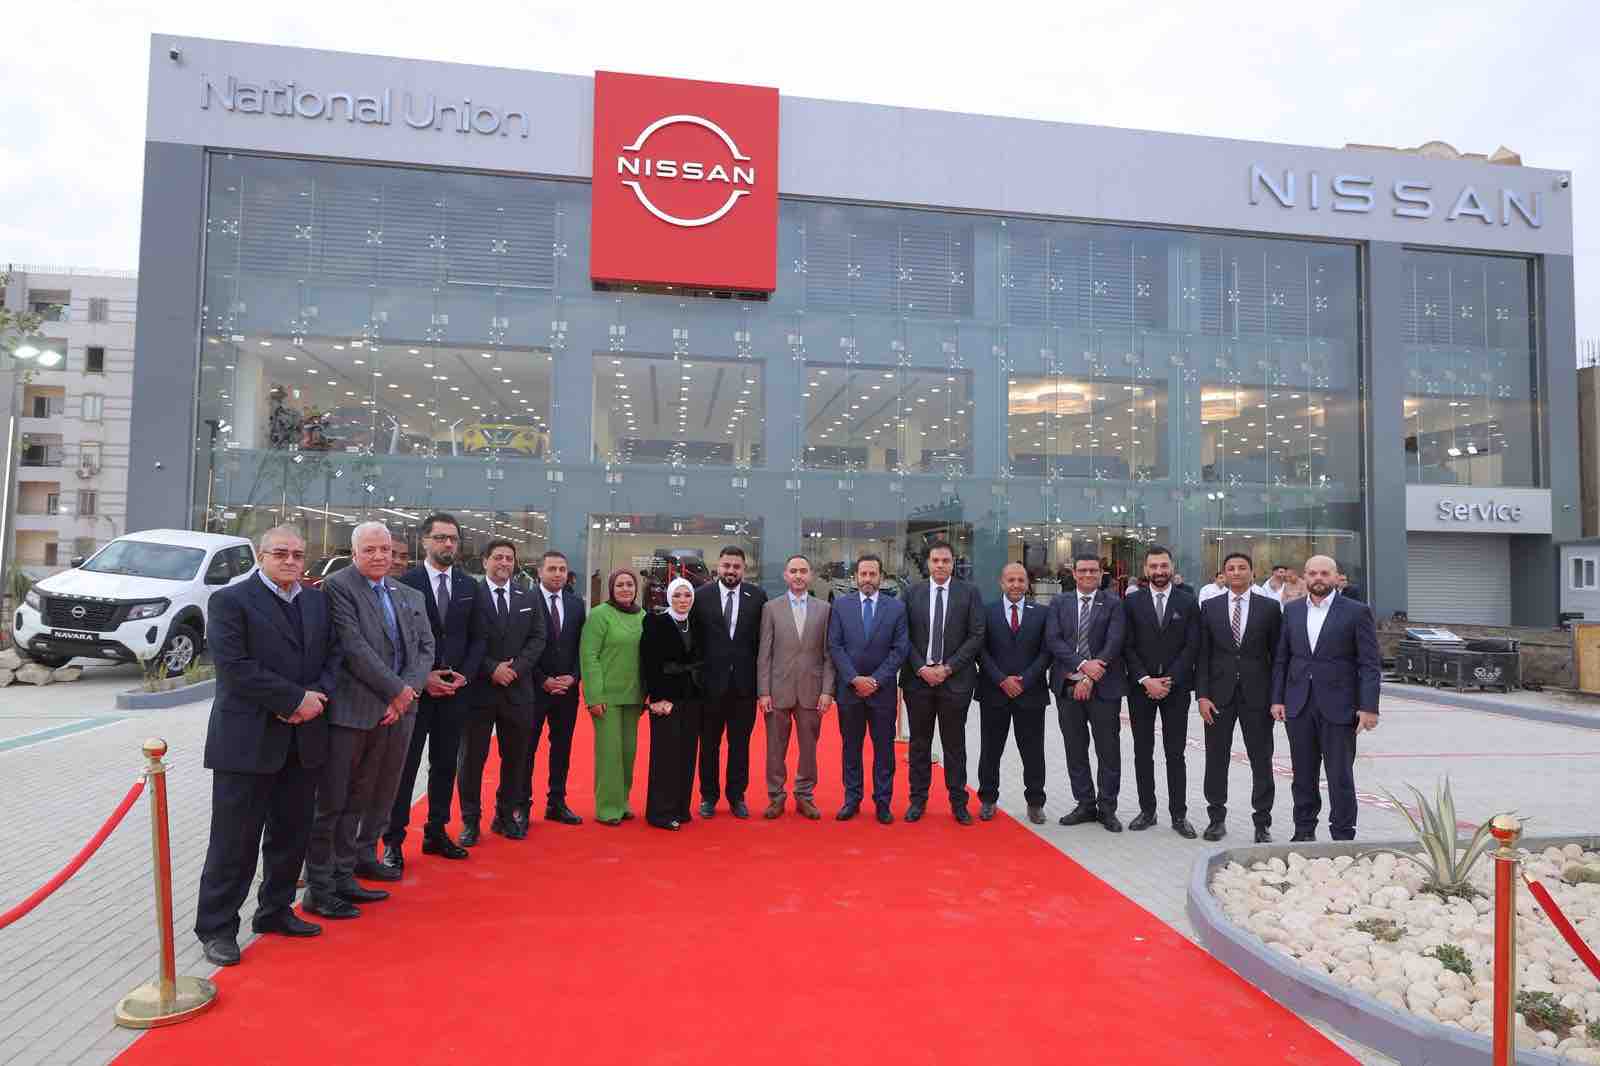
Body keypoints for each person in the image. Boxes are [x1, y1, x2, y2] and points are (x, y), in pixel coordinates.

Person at [194, 526, 341, 967]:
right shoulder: (230, 601)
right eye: (281, 553)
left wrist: (314, 699)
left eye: (298, 553)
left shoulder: (316, 601)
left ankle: (275, 911)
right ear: (261, 556)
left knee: (291, 834)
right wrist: (292, 700)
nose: (291, 560)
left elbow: (334, 656)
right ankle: (217, 928)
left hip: (304, 738)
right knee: (234, 842)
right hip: (248, 740)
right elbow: (233, 666)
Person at [310, 523, 432, 918]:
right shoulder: (339, 586)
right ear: (354, 552)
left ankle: (346, 873)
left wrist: (406, 692)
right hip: (353, 712)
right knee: (334, 801)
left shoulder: (404, 592)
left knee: (364, 798)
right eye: (370, 549)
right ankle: (319, 885)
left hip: (396, 711)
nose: (379, 556)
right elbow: (354, 647)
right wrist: (395, 691)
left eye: (385, 549)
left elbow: (424, 648)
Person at [384, 513, 487, 867]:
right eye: (441, 537)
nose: (448, 544)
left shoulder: (469, 586)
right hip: (415, 693)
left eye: (453, 539)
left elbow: (479, 637)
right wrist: (422, 677)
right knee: (405, 767)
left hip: (455, 693)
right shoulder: (405, 583)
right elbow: (397, 639)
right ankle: (393, 840)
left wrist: (464, 676)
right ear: (424, 541)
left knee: (444, 764)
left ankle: (436, 831)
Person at [1270, 555, 1381, 842]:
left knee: (1339, 775)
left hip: (1340, 707)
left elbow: (1369, 663)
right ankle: (1303, 831)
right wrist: (1277, 699)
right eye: (1312, 573)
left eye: (1324, 573)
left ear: (1335, 577)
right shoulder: (1292, 610)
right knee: (1302, 775)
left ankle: (1342, 835)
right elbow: (1282, 658)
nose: (1318, 578)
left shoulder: (1356, 612)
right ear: (1304, 577)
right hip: (1299, 705)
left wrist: (1369, 707)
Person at [457, 539, 546, 844]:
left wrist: (515, 669)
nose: (504, 563)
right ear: (485, 561)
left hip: (518, 691)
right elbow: (463, 640)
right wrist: (492, 668)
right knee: (472, 759)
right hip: (479, 691)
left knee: (516, 758)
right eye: (498, 557)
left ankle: (505, 816)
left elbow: (538, 638)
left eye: (509, 558)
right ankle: (470, 821)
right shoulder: (471, 595)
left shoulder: (528, 596)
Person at [1195, 552, 1283, 843]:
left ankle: (1262, 823)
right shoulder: (1209, 607)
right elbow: (1202, 655)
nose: (1236, 572)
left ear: (1252, 573)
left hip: (1257, 696)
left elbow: (1278, 657)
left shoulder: (1270, 608)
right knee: (1216, 758)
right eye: (1230, 568)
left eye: (1242, 568)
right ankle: (1216, 819)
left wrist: (1276, 697)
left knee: (1261, 760)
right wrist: (1202, 696)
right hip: (1218, 696)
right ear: (1223, 574)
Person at [900, 540, 986, 825]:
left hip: (955, 681)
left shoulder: (969, 593)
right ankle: (917, 800)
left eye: (945, 560)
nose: (940, 565)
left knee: (954, 745)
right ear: (928, 563)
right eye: (935, 560)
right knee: (919, 744)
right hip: (918, 682)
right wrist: (921, 668)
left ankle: (958, 803)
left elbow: (976, 635)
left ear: (953, 563)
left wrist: (948, 668)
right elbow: (903, 635)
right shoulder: (911, 593)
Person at [1121, 545, 1200, 838]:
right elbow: (1126, 645)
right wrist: (1145, 679)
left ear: (1172, 567)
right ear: (1145, 570)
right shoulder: (1131, 602)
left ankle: (1179, 815)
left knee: (1175, 753)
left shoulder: (1188, 601)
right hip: (1140, 688)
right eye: (1153, 566)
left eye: (1163, 566)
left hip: (1175, 690)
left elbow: (1192, 645)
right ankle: (1147, 811)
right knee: (1143, 752)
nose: (1159, 571)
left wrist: (1169, 679)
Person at [826, 554, 910, 824]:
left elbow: (900, 649)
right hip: (849, 691)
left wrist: (875, 680)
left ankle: (883, 802)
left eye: (873, 574)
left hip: (882, 692)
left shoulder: (896, 608)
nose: (867, 579)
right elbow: (835, 645)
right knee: (851, 748)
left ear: (881, 577)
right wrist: (854, 678)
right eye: (863, 574)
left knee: (884, 750)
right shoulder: (841, 606)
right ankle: (852, 799)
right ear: (856, 577)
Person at [1045, 553, 1126, 832]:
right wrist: (1081, 666)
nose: (1088, 575)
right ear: (1074, 573)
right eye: (1083, 570)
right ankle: (1085, 803)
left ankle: (1107, 807)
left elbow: (1115, 642)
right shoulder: (1059, 602)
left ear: (1101, 573)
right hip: (1067, 684)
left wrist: (1090, 675)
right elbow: (1054, 640)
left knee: (1108, 749)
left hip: (1104, 687)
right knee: (1075, 747)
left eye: (1094, 570)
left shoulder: (1114, 603)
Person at [691, 546, 768, 819]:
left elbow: (761, 642)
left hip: (744, 687)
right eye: (726, 565)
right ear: (718, 566)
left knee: (740, 745)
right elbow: (695, 641)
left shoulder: (757, 597)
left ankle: (737, 796)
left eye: (736, 566)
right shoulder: (701, 596)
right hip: (709, 687)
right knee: (708, 744)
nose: (731, 571)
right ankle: (708, 796)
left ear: (744, 569)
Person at [756, 554, 834, 820]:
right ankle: (776, 796)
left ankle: (805, 795)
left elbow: (829, 655)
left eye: (803, 571)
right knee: (775, 749)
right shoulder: (771, 608)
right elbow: (764, 653)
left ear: (810, 575)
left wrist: (827, 691)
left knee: (809, 748)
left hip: (812, 690)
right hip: (777, 689)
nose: (798, 575)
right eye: (793, 571)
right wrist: (763, 691)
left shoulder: (824, 609)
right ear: (785, 575)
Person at [976, 562, 1051, 825]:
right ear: (1002, 583)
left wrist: (1025, 680)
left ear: (1027, 583)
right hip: (993, 692)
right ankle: (988, 799)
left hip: (1030, 694)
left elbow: (1047, 652)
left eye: (1021, 580)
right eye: (1011, 580)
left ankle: (1035, 803)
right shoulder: (986, 612)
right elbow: (980, 650)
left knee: (1033, 752)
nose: (1016, 585)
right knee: (990, 750)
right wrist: (1001, 680)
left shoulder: (1042, 614)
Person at [581, 568, 647, 825]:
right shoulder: (599, 615)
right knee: (610, 755)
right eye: (620, 585)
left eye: (630, 584)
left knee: (628, 754)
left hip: (634, 696)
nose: (625, 589)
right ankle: (608, 808)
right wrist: (593, 696)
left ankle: (622, 802)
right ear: (611, 588)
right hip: (606, 698)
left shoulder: (643, 616)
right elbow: (589, 656)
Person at [526, 550, 586, 827]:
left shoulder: (576, 604)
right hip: (533, 689)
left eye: (562, 569)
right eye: (552, 569)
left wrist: (574, 676)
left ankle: (557, 802)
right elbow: (521, 646)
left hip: (567, 690)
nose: (558, 574)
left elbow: (581, 646)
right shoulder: (526, 601)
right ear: (540, 572)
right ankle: (521, 804)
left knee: (562, 748)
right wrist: (542, 679)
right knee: (526, 749)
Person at [641, 578, 703, 830]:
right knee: (665, 756)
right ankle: (660, 813)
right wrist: (656, 699)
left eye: (687, 595)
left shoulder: (696, 623)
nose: (682, 600)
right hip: (665, 700)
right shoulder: (655, 622)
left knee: (686, 755)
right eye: (677, 595)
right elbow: (649, 662)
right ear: (669, 597)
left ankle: (680, 808)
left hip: (692, 699)